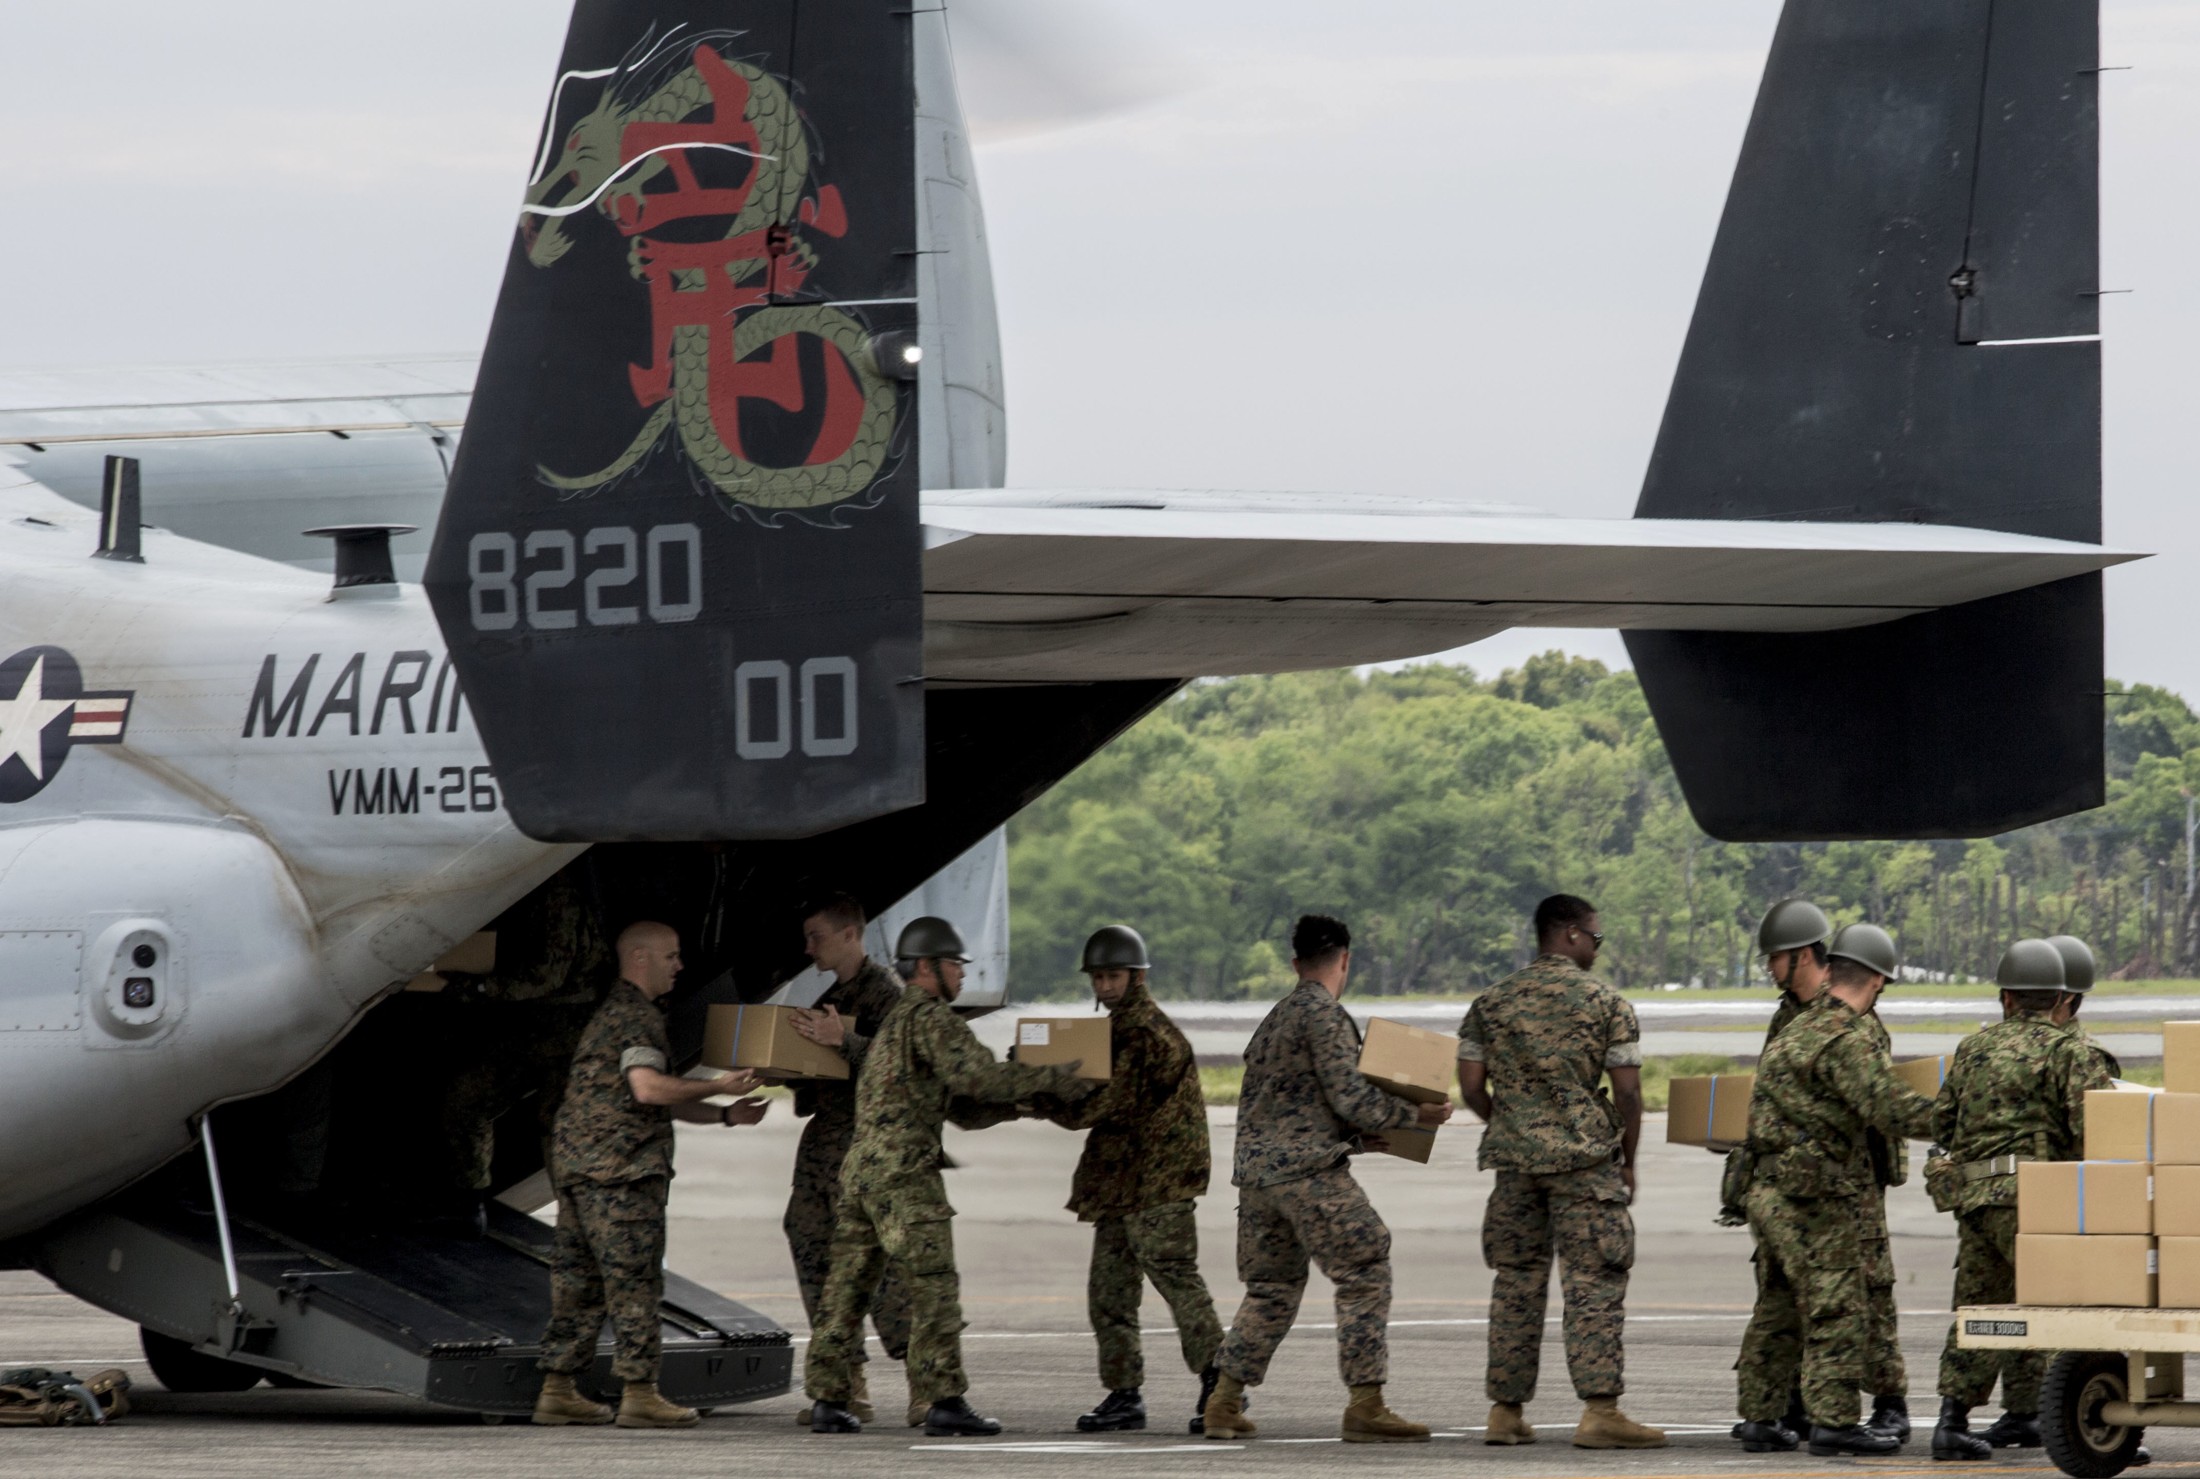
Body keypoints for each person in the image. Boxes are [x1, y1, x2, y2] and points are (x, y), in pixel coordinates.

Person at [805, 917, 1097, 1438]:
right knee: (934, 1285)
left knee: (846, 1287)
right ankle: (944, 1400)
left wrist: (1025, 1102)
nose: (962, 975)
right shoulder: (931, 1018)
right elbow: (978, 1078)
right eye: (955, 965)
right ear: (926, 967)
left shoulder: (896, 1022)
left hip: (862, 1173)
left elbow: (958, 1105)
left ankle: (829, 1398)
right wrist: (1059, 1076)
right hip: (903, 1175)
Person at [1203, 914, 1451, 1444]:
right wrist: (1416, 1117)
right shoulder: (1325, 1016)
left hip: (1256, 1179)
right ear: (1345, 960)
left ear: (1296, 964)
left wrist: (1358, 1141)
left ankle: (1222, 1402)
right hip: (1306, 1173)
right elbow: (1349, 1097)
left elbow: (1287, 1104)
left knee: (1271, 1289)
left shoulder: (1273, 1020)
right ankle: (1366, 1404)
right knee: (1365, 1264)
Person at [532, 921, 769, 1429]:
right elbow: (648, 1090)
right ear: (640, 959)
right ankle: (641, 1392)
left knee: (579, 1283)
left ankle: (557, 1390)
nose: (679, 967)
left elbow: (652, 1101)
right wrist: (717, 1086)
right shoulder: (635, 1016)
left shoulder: (614, 1013)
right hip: (620, 1175)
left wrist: (727, 1114)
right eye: (671, 957)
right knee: (634, 1282)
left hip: (581, 1169)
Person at [1461, 893, 1664, 1451]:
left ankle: (1505, 1412)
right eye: (1595, 938)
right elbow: (1628, 1092)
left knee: (1516, 1284)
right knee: (1593, 1283)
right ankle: (1600, 1411)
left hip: (1515, 1167)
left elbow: (1472, 1086)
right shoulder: (1606, 1003)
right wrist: (1628, 1159)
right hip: (1584, 1164)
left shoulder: (1490, 1002)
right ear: (1571, 934)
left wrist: (1511, 1123)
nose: (1597, 949)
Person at [1738, 922, 1938, 1457]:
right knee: (1837, 1306)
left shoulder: (1796, 1029)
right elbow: (1890, 1109)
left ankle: (1760, 1417)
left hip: (1769, 1192)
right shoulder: (1845, 1038)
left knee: (1778, 1308)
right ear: (1873, 979)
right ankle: (1834, 1423)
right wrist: (1962, 1114)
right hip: (1815, 1198)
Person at [1927, 939, 2112, 1461]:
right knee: (2069, 1307)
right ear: (2060, 997)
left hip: (1977, 1201)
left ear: (2006, 997)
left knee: (1978, 1310)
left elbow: (1943, 1123)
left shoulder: (1972, 1049)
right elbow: (2095, 1132)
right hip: (2035, 1202)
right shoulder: (2068, 1052)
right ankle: (2088, 1420)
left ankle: (1951, 1421)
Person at [1042, 925, 1224, 1436]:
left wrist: (1036, 1090)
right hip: (1123, 1183)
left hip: (1158, 1183)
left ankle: (1221, 1387)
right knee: (1109, 1293)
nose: (1103, 987)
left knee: (1177, 1283)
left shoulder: (1144, 1035)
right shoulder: (1116, 1031)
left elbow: (1101, 1105)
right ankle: (1124, 1395)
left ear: (1138, 976)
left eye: (1113, 976)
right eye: (1098, 977)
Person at [780, 892, 912, 1427]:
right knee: (811, 1243)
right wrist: (782, 1067)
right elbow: (819, 1076)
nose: (808, 947)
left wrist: (847, 1040)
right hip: (824, 1148)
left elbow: (902, 1068)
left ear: (850, 934)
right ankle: (845, 1380)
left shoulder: (888, 996)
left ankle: (926, 1380)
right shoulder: (833, 997)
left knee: (884, 1262)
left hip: (870, 1146)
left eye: (817, 936)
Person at [439, 864, 611, 1229]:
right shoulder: (531, 885)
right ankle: (470, 1205)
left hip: (569, 1032)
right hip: (530, 1027)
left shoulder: (557, 890)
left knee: (559, 1127)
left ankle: (579, 1228)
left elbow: (549, 974)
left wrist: (482, 989)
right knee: (466, 1101)